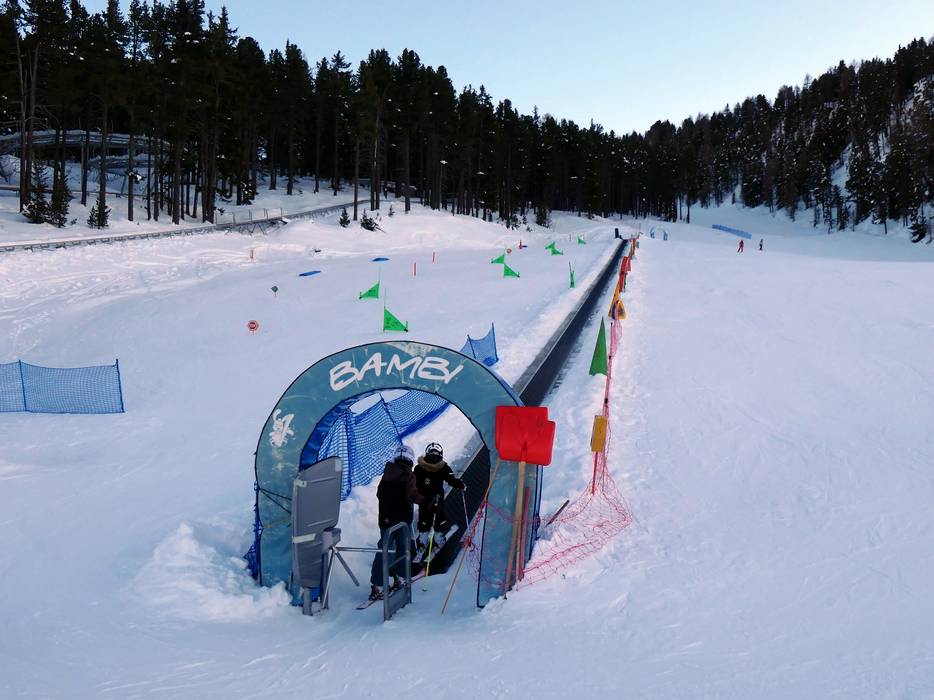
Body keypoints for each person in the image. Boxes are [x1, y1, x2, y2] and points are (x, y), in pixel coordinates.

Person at [368, 444, 422, 601]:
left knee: (385, 548)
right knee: (403, 548)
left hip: (385, 520)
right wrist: (427, 501)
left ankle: (377, 584)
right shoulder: (409, 476)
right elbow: (412, 495)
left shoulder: (387, 473)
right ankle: (401, 576)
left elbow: (379, 493)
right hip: (402, 520)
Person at [414, 442, 465, 555]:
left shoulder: (419, 467)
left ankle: (422, 541)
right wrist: (460, 485)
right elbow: (451, 479)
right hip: (437, 498)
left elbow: (414, 482)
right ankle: (438, 539)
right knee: (439, 517)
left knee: (423, 517)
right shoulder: (443, 466)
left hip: (423, 498)